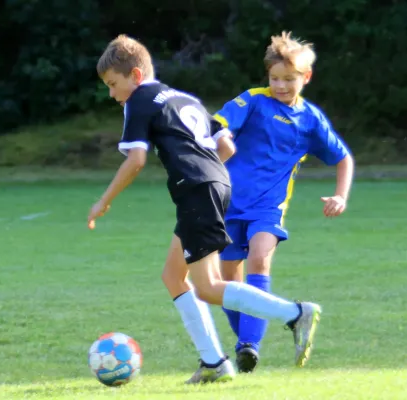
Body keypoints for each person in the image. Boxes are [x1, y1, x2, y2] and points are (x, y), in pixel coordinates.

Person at [87, 34, 322, 384]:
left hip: (198, 191)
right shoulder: (183, 98)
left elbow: (136, 160)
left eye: (113, 84)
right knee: (173, 276)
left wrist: (103, 200)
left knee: (209, 286)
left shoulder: (139, 100)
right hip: (214, 185)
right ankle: (214, 362)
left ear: (135, 76)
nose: (111, 93)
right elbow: (224, 143)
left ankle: (295, 313)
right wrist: (208, 174)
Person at [214, 31, 355, 373]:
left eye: (289, 79)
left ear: (306, 77)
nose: (280, 86)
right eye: (275, 78)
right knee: (227, 282)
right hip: (227, 202)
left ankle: (249, 345)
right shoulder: (254, 100)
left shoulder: (310, 120)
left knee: (259, 260)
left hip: (268, 207)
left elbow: (343, 158)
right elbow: (218, 124)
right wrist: (218, 139)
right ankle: (247, 342)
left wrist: (340, 195)